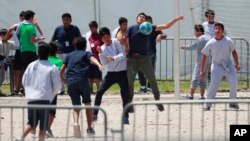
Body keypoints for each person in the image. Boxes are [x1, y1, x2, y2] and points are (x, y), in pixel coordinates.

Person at [125, 12, 183, 112]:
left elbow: (165, 26)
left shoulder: (149, 27)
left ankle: (157, 100)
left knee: (152, 79)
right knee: (130, 81)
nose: (142, 18)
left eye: (144, 17)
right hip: (132, 59)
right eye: (140, 16)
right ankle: (129, 103)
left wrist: (176, 19)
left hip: (144, 58)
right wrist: (126, 51)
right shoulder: (131, 28)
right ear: (136, 19)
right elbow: (125, 40)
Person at [16, 42, 61, 141]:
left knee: (31, 122)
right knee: (43, 126)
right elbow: (57, 85)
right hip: (45, 100)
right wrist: (51, 94)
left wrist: (29, 92)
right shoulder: (52, 67)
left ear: (38, 53)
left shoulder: (31, 65)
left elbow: (24, 81)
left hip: (31, 99)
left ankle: (21, 137)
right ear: (49, 54)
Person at [60, 37, 103, 138]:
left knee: (76, 105)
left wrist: (64, 80)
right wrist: (99, 65)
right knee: (87, 103)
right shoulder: (86, 53)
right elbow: (93, 59)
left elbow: (61, 70)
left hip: (71, 82)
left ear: (75, 45)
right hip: (83, 80)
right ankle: (89, 128)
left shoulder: (69, 55)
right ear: (85, 46)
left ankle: (75, 123)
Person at [200, 22, 240, 110]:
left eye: (219, 29)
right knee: (213, 85)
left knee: (234, 81)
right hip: (216, 66)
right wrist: (201, 70)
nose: (217, 30)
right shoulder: (211, 42)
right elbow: (204, 55)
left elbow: (234, 52)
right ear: (214, 30)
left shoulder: (228, 40)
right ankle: (207, 105)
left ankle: (233, 103)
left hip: (228, 65)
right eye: (215, 28)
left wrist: (237, 63)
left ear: (222, 31)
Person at [93, 27, 129, 124]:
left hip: (122, 72)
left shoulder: (116, 42)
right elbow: (104, 62)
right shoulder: (103, 48)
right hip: (111, 74)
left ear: (110, 35)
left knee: (124, 94)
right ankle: (94, 114)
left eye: (108, 36)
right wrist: (100, 53)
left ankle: (125, 117)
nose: (107, 39)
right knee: (99, 91)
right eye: (104, 37)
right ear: (102, 39)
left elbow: (123, 54)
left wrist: (114, 58)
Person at [5, 11, 44, 96]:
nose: (23, 20)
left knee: (28, 69)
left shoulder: (30, 26)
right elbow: (8, 35)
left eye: (24, 18)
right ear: (20, 18)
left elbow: (40, 35)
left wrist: (36, 25)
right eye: (22, 18)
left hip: (27, 49)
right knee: (17, 70)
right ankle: (16, 90)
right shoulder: (18, 26)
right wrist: (7, 35)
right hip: (20, 50)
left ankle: (25, 88)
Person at [51, 13, 81, 95]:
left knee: (70, 71)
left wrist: (77, 39)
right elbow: (52, 40)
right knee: (60, 71)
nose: (65, 21)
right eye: (64, 20)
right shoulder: (58, 29)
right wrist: (53, 49)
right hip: (60, 53)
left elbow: (80, 38)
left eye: (67, 19)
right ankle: (61, 89)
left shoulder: (75, 28)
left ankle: (71, 88)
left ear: (70, 20)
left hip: (72, 53)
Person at [137, 15, 167, 93]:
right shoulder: (141, 29)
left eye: (151, 22)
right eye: (148, 21)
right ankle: (143, 86)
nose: (149, 23)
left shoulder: (154, 29)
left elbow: (165, 35)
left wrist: (160, 35)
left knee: (151, 70)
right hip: (141, 52)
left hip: (151, 53)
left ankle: (150, 87)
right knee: (140, 69)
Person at [181, 24, 210, 100]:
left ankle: (191, 95)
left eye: (195, 31)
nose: (194, 33)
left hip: (201, 60)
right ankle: (202, 95)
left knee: (195, 77)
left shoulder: (201, 38)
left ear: (199, 31)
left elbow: (194, 46)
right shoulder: (208, 37)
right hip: (209, 60)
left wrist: (185, 47)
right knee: (203, 77)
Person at [45, 42, 63, 137]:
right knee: (52, 111)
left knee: (43, 108)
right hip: (53, 89)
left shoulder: (44, 60)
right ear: (56, 51)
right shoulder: (59, 61)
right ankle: (47, 127)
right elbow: (60, 74)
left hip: (43, 89)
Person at [86, 21, 103, 94]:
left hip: (98, 59)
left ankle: (98, 88)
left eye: (93, 27)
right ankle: (90, 88)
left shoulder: (100, 37)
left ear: (96, 28)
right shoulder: (88, 37)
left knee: (97, 75)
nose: (92, 29)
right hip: (90, 59)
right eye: (91, 28)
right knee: (90, 76)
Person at [0, 29, 16, 96]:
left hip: (4, 61)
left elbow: (17, 47)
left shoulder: (10, 43)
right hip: (1, 60)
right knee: (1, 76)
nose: (7, 36)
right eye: (5, 35)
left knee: (2, 77)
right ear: (1, 35)